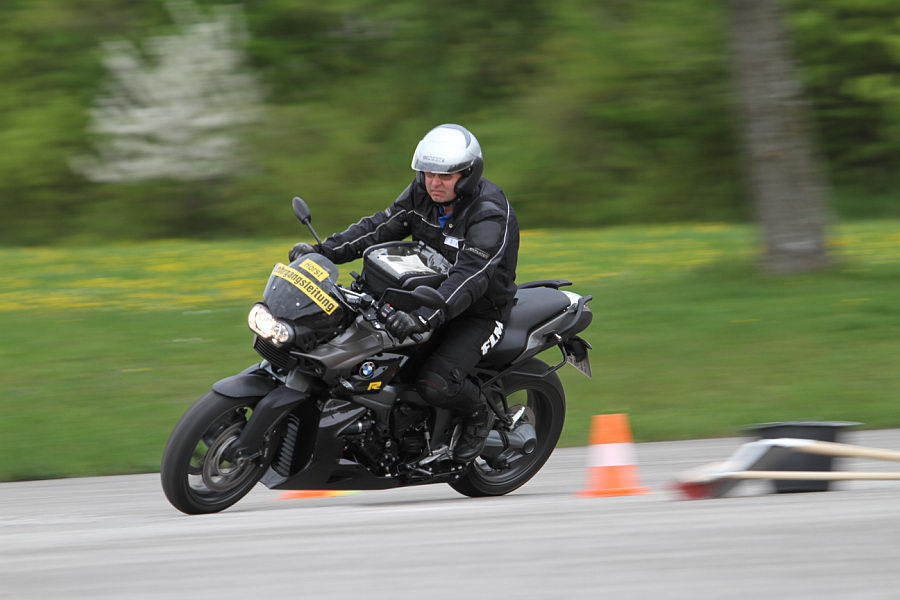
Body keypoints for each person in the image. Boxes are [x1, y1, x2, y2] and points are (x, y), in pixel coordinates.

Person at [288, 123, 520, 462]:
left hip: (477, 312)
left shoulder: (488, 213)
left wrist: (424, 317)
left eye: (446, 176)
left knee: (435, 382)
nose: (434, 182)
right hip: (421, 296)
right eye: (429, 174)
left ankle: (478, 417)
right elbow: (379, 227)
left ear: (468, 175)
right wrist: (322, 252)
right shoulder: (420, 194)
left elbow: (471, 277)